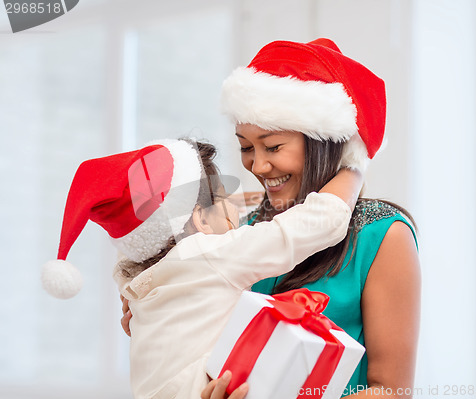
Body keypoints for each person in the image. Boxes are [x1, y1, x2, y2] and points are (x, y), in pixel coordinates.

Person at [122, 39, 420, 398]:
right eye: (246, 147)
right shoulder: (239, 228)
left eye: (273, 146)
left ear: (324, 142)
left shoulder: (381, 236)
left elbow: (392, 390)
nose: (258, 166)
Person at [42, 137, 364, 398]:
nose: (237, 210)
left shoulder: (139, 274)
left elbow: (164, 224)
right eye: (225, 197)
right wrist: (353, 166)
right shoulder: (211, 254)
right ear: (199, 218)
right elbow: (314, 224)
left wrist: (229, 201)